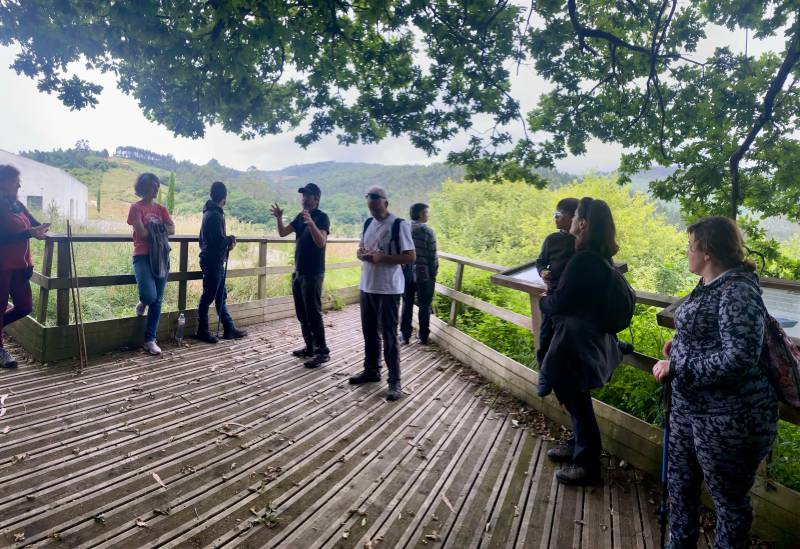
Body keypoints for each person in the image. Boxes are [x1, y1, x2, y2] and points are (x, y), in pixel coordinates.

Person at [652, 216, 778, 549]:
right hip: (688, 410)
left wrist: (679, 365)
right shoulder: (709, 285)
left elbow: (739, 358)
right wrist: (678, 344)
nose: (687, 253)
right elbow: (705, 332)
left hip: (729, 419)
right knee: (681, 486)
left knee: (728, 502)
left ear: (706, 251)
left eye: (690, 246)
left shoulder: (737, 289)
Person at [539, 197, 622, 486]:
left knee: (577, 400)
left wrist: (544, 302)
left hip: (575, 344)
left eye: (575, 217)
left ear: (583, 224)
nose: (571, 220)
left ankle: (587, 464)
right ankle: (577, 445)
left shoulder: (582, 261)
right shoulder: (599, 257)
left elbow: (561, 302)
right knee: (577, 398)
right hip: (588, 340)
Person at [350, 186, 415, 401]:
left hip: (388, 288)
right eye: (369, 202)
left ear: (385, 202)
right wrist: (362, 254)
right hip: (367, 284)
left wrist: (383, 258)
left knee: (388, 335)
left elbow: (410, 256)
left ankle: (394, 382)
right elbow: (362, 248)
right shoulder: (368, 223)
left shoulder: (398, 224)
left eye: (376, 202)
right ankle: (371, 371)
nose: (373, 207)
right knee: (369, 332)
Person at [271, 182, 331, 368]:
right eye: (302, 195)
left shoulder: (322, 217)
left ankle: (322, 351)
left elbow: (321, 242)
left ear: (316, 199)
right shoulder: (299, 217)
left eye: (307, 195)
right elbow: (282, 233)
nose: (303, 198)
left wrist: (311, 223)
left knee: (313, 312)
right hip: (299, 271)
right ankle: (310, 347)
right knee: (302, 313)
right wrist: (279, 218)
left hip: (313, 272)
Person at [0, 165, 49, 368]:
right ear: (2, 183)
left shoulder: (17, 205)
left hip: (21, 267)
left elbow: (34, 224)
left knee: (24, 307)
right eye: (15, 181)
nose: (19, 184)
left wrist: (45, 229)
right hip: (2, 267)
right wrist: (30, 233)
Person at [534, 197, 578, 396]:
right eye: (555, 215)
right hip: (553, 294)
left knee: (571, 337)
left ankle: (613, 344)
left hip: (575, 298)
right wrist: (543, 271)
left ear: (573, 217)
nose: (555, 219)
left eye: (559, 215)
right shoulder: (551, 239)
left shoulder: (582, 240)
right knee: (546, 336)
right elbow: (540, 261)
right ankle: (544, 374)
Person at [127, 173, 175, 355]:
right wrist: (160, 229)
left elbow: (173, 229)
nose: (156, 189)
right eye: (153, 186)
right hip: (142, 255)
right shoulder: (135, 208)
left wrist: (156, 229)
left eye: (157, 185)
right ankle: (143, 301)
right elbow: (141, 233)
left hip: (162, 256)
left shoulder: (161, 208)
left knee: (158, 300)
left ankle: (150, 339)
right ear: (144, 187)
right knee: (149, 296)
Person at [195, 181, 247, 343]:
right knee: (209, 295)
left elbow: (208, 240)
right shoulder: (215, 215)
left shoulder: (209, 213)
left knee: (220, 295)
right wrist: (230, 239)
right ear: (224, 197)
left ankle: (229, 327)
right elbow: (217, 241)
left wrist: (226, 242)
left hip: (211, 259)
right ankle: (202, 331)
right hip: (213, 261)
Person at [400, 202, 438, 345]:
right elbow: (432, 255)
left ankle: (405, 335)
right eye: (426, 212)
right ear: (421, 214)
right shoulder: (427, 231)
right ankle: (423, 336)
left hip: (407, 271)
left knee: (407, 303)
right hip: (424, 273)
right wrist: (433, 274)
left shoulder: (404, 229)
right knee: (424, 305)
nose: (428, 215)